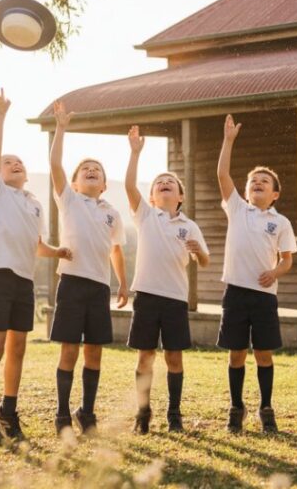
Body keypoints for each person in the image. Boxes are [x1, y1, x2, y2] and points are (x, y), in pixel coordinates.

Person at [0, 88, 69, 444]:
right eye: (9, 162)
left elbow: (36, 246)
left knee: (19, 349)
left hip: (24, 283)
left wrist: (59, 253)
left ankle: (7, 412)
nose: (14, 164)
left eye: (19, 162)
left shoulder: (34, 203)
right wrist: (1, 114)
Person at [49, 101, 128, 436]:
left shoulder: (112, 212)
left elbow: (116, 250)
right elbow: (55, 164)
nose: (92, 171)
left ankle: (87, 411)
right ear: (76, 183)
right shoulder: (69, 199)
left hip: (99, 288)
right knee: (70, 349)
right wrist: (62, 128)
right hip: (71, 283)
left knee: (94, 350)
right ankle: (62, 412)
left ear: (105, 184)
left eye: (98, 170)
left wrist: (123, 284)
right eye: (86, 170)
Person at [125, 125, 209, 434]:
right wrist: (135, 153)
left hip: (175, 298)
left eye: (170, 183)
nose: (164, 184)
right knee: (145, 355)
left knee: (174, 356)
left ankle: (174, 414)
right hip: (146, 296)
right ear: (152, 196)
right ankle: (142, 413)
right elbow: (130, 186)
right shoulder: (145, 216)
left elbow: (204, 260)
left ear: (180, 196)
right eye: (159, 182)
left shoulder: (190, 226)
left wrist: (198, 251)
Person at [217, 115, 297, 433]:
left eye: (264, 181)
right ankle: (236, 408)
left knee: (263, 353)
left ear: (275, 194)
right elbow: (222, 172)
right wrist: (228, 141)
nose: (258, 183)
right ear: (246, 192)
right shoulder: (237, 208)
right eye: (253, 181)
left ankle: (266, 408)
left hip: (264, 295)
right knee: (237, 353)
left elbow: (288, 259)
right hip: (235, 292)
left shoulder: (281, 222)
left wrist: (275, 271)